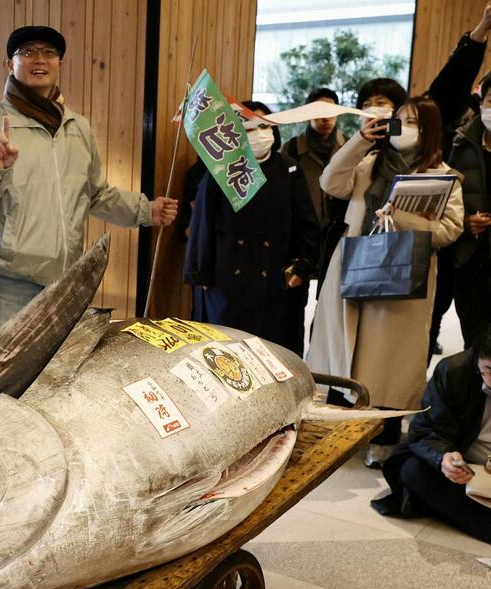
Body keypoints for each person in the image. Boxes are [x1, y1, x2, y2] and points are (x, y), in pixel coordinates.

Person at [0, 25, 178, 341]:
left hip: (65, 285)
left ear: (60, 64)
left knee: (57, 381)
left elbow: (97, 194)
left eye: (49, 53)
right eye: (28, 52)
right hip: (6, 285)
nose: (39, 60)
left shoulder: (78, 127)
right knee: (0, 386)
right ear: (10, 64)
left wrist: (147, 211)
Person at [307, 96, 464, 468]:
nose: (403, 129)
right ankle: (337, 432)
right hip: (355, 262)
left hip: (402, 273)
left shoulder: (445, 177)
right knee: (345, 351)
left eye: (413, 123)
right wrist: (361, 139)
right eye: (399, 121)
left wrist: (405, 218)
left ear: (428, 132)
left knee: (388, 361)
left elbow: (449, 230)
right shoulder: (370, 163)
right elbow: (331, 183)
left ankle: (385, 435)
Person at [184, 101, 318, 356]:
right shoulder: (218, 170)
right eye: (249, 127)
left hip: (276, 273)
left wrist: (303, 265)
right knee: (226, 350)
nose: (259, 134)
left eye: (264, 125)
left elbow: (306, 223)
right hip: (227, 275)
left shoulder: (288, 169)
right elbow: (202, 225)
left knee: (274, 349)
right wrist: (200, 274)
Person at [371, 325, 491, 546]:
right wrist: (444, 458)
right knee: (414, 471)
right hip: (467, 467)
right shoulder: (455, 371)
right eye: (489, 370)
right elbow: (427, 430)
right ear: (477, 360)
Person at [424, 4, 491, 360]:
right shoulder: (455, 135)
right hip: (447, 252)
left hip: (486, 261)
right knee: (423, 334)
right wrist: (479, 33)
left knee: (482, 346)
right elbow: (443, 93)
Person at [282, 87, 347, 288]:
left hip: (337, 230)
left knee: (331, 291)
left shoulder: (349, 148)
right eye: (319, 112)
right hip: (301, 232)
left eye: (331, 111)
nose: (326, 118)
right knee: (295, 293)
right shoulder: (292, 148)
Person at [446, 73, 491, 351]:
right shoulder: (459, 143)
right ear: (481, 102)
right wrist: (464, 223)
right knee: (474, 341)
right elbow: (444, 199)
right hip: (470, 256)